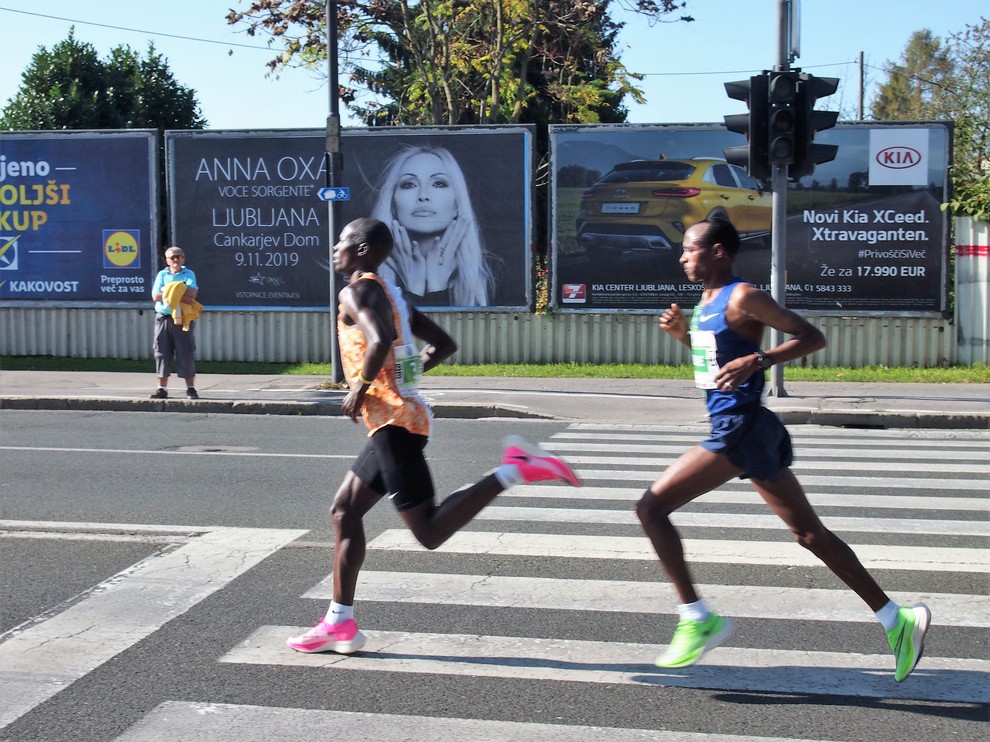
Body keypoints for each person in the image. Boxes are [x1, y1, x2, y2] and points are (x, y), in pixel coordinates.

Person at [635, 217, 930, 682]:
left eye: (690, 249)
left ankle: (697, 618)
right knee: (809, 534)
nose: (682, 256)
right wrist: (683, 339)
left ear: (717, 253)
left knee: (651, 508)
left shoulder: (742, 295)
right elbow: (715, 364)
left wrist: (763, 358)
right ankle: (898, 619)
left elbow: (812, 336)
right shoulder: (706, 301)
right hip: (746, 428)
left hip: (739, 428)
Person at [287, 217, 579, 654]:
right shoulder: (392, 295)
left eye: (343, 241)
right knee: (345, 512)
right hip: (400, 418)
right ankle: (339, 623)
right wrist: (404, 378)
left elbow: (380, 339)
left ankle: (513, 470)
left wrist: (360, 389)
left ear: (363, 251)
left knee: (428, 530)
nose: (335, 247)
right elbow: (442, 344)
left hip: (395, 425)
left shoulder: (357, 290)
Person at [370, 144, 494, 307]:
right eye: (409, 184)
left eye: (438, 183)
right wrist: (413, 287)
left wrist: (436, 286)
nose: (423, 196)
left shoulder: (490, 273)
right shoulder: (368, 277)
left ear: (457, 204)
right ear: (393, 204)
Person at [150, 245, 200, 399]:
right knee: (161, 352)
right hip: (164, 318)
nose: (176, 259)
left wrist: (168, 291)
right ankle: (161, 389)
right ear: (167, 260)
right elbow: (155, 296)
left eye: (179, 256)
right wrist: (178, 290)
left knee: (186, 352)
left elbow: (192, 294)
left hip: (182, 319)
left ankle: (190, 388)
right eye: (173, 257)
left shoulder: (189, 273)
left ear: (183, 259)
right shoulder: (162, 275)